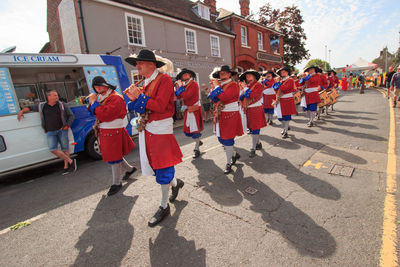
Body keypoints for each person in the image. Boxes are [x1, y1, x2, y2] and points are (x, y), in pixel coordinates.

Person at [124, 49, 183, 227]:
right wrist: (132, 97)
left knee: (163, 166)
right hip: (149, 128)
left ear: (151, 65)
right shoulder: (148, 82)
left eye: (140, 62)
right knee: (155, 164)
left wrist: (139, 97)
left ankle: (164, 206)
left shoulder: (164, 79)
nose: (137, 65)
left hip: (159, 129)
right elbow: (140, 106)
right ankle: (176, 183)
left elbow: (159, 105)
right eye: (137, 63)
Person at [87, 76, 136, 196]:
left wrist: (94, 103)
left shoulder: (115, 97)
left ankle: (116, 183)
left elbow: (104, 114)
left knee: (114, 157)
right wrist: (92, 103)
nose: (98, 88)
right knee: (114, 155)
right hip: (105, 130)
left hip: (113, 130)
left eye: (100, 85)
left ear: (106, 85)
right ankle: (130, 169)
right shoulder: (101, 96)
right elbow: (93, 111)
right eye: (96, 86)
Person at [17, 90, 77, 174]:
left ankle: (66, 167)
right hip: (50, 131)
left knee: (65, 149)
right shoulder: (42, 106)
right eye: (55, 95)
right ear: (49, 97)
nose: (57, 97)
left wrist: (67, 125)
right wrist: (21, 111)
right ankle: (70, 161)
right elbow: (30, 107)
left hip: (62, 130)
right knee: (53, 149)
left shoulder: (62, 105)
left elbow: (71, 116)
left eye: (57, 95)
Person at [208, 65, 243, 174]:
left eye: (224, 72)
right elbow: (213, 99)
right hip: (220, 114)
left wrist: (217, 87)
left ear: (229, 74)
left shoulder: (233, 85)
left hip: (230, 115)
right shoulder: (221, 86)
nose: (222, 74)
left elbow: (224, 98)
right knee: (221, 139)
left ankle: (228, 162)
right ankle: (234, 154)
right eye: (221, 73)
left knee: (227, 140)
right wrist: (214, 88)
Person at [175, 68, 204, 158]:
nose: (185, 76)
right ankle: (198, 141)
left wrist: (180, 88)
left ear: (190, 75)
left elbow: (186, 96)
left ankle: (197, 149)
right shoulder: (184, 86)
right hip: (188, 110)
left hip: (193, 110)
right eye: (183, 75)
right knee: (189, 130)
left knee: (194, 130)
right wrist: (178, 87)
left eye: (186, 74)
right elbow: (178, 96)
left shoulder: (194, 84)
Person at [238, 69, 267, 157]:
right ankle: (258, 143)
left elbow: (251, 95)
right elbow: (241, 97)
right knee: (251, 129)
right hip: (248, 109)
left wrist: (245, 89)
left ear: (254, 77)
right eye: (246, 76)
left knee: (255, 129)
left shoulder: (258, 85)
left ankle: (253, 148)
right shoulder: (247, 86)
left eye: (249, 75)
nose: (248, 77)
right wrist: (244, 91)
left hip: (256, 109)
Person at [273, 67, 297, 138]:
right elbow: (275, 89)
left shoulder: (290, 80)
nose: (282, 73)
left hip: (287, 99)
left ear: (287, 72)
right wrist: (276, 83)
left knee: (286, 116)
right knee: (279, 117)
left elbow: (284, 88)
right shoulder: (281, 80)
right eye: (281, 72)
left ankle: (285, 131)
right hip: (280, 99)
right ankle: (286, 126)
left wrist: (278, 83)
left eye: (283, 72)